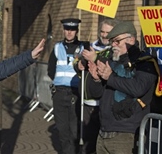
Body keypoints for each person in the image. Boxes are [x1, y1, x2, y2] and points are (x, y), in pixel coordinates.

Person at [81, 21, 157, 154]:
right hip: (103, 132)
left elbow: (138, 88)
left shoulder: (144, 62)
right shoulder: (111, 60)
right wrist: (96, 79)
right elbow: (96, 93)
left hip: (126, 135)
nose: (113, 45)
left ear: (131, 40)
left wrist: (110, 78)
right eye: (112, 42)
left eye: (117, 41)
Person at [78, 18, 119, 154]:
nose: (104, 35)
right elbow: (77, 62)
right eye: (102, 31)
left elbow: (112, 65)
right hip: (86, 101)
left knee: (99, 144)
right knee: (85, 143)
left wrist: (95, 57)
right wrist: (78, 65)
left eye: (108, 32)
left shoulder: (114, 50)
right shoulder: (91, 46)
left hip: (102, 103)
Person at [47, 18, 83, 154]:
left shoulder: (83, 48)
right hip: (59, 93)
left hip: (75, 93)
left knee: (75, 131)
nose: (69, 32)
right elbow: (50, 70)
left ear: (77, 31)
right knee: (63, 131)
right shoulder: (57, 47)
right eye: (67, 29)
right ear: (63, 30)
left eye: (72, 30)